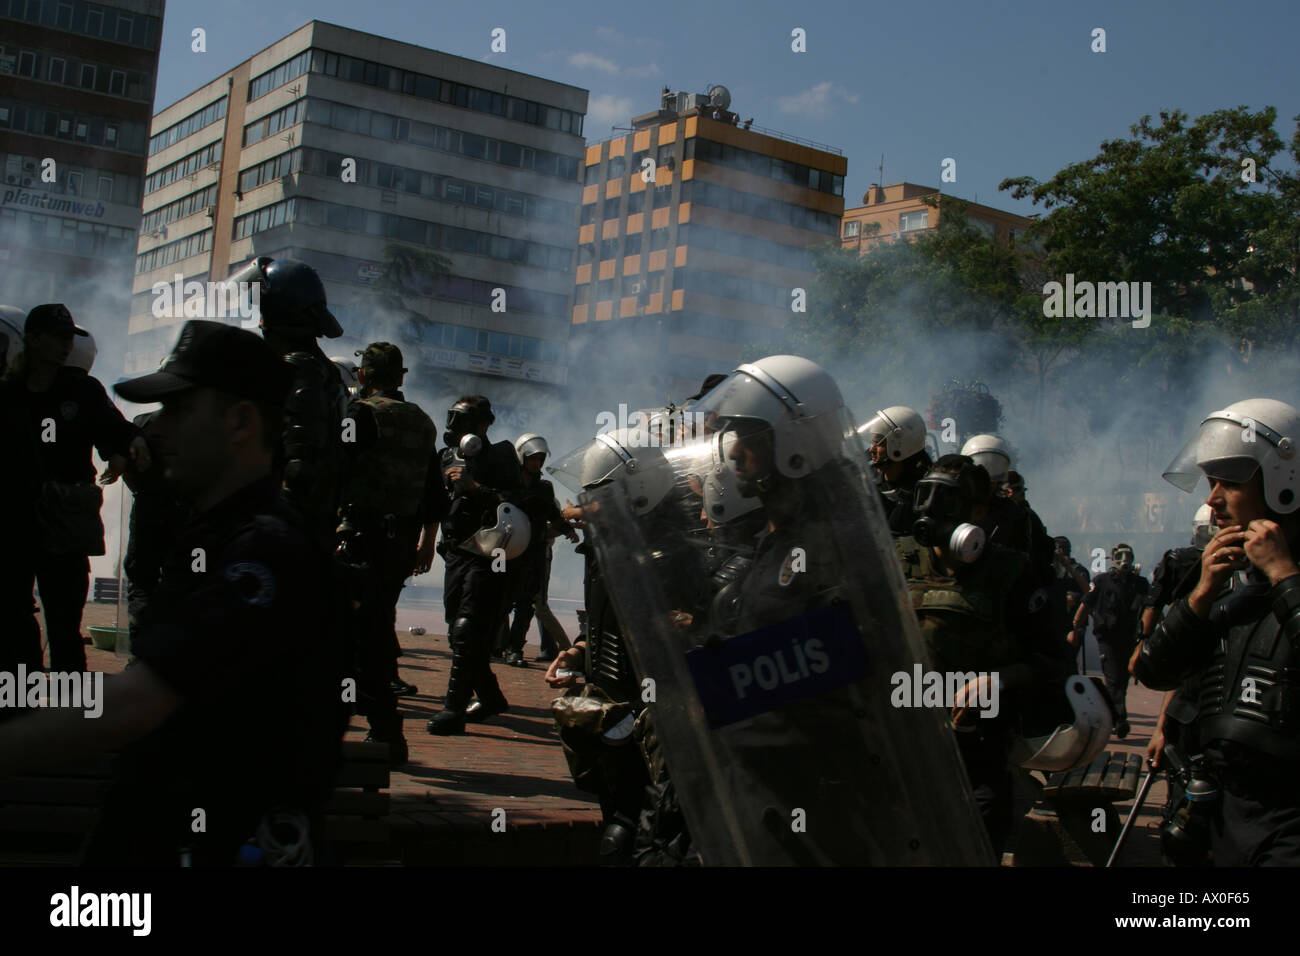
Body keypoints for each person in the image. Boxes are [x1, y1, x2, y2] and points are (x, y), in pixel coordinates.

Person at [0, 320, 348, 865]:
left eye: (179, 410)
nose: (158, 429)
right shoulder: (214, 533)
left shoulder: (262, 554)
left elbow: (137, 701)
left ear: (240, 422)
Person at [1134, 398, 1300, 866]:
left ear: (1284, 483)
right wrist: (1201, 595)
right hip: (1219, 812)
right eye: (1211, 482)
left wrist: (1285, 575)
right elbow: (1153, 670)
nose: (1212, 498)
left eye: (1230, 481)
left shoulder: (1285, 576)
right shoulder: (1226, 578)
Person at [897, 455, 1080, 854]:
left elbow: (1052, 658)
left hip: (978, 748)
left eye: (947, 499)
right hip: (907, 745)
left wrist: (995, 681)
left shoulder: (1011, 572)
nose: (931, 509)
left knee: (974, 847)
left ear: (979, 510)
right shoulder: (895, 559)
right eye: (925, 496)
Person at [0, 304, 147, 673]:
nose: (65, 344)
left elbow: (119, 431)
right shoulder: (8, 393)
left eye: (68, 337)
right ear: (32, 339)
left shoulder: (81, 391)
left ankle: (73, 715)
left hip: (64, 527)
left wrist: (124, 452)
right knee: (15, 620)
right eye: (55, 336)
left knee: (65, 628)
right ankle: (22, 706)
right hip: (15, 525)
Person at [336, 343, 443, 764]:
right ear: (400, 378)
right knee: (375, 626)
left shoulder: (358, 414)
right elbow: (435, 492)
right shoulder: (423, 422)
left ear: (362, 376)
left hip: (359, 538)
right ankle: (380, 728)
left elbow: (337, 470)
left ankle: (381, 729)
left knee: (356, 633)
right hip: (400, 544)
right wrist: (427, 542)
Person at [232, 256, 348, 548]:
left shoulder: (300, 371)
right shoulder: (319, 369)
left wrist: (275, 527)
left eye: (262, 310)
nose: (259, 321)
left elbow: (299, 465)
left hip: (291, 530)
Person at [427, 396, 523, 735]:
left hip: (489, 552)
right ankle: (491, 696)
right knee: (457, 629)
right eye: (453, 418)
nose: (455, 427)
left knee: (468, 627)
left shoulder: (501, 455)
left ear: (483, 425)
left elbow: (516, 501)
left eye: (464, 419)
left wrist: (476, 487)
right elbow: (435, 505)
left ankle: (452, 709)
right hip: (455, 551)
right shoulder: (445, 457)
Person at [502, 433, 576, 666]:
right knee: (501, 600)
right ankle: (495, 645)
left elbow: (553, 515)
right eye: (532, 458)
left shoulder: (544, 488)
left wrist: (567, 530)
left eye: (540, 459)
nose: (536, 463)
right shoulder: (505, 483)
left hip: (533, 551)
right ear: (521, 457)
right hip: (506, 550)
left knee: (526, 604)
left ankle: (515, 649)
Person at [1072, 543, 1148, 738]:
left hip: (1129, 639)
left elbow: (1150, 608)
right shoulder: (1102, 581)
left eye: (1128, 556)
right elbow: (1086, 604)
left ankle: (1109, 714)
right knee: (1114, 679)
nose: (1125, 560)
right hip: (1108, 638)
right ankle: (1119, 719)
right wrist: (1075, 627)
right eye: (1121, 556)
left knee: (1121, 680)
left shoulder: (1139, 584)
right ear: (1113, 559)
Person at [859, 405, 931, 535]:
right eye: (872, 443)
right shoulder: (865, 480)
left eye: (878, 443)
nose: (871, 449)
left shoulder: (923, 493)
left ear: (900, 446)